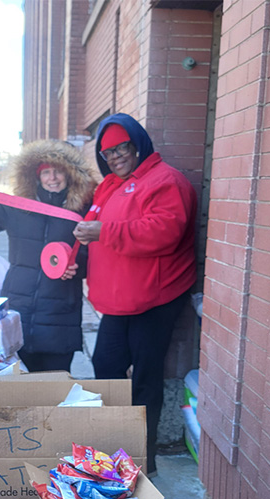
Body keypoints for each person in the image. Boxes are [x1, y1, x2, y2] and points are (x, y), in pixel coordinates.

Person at [72, 113, 197, 476]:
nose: (115, 156)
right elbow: (92, 228)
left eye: (122, 147)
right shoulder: (109, 185)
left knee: (145, 376)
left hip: (153, 298)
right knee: (106, 368)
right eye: (108, 152)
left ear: (138, 143)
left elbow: (164, 230)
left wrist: (103, 232)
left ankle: (143, 457)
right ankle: (111, 446)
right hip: (118, 301)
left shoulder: (165, 180)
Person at [0, 139, 96, 373]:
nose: (52, 178)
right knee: (21, 382)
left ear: (69, 175)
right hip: (19, 307)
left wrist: (78, 266)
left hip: (59, 311)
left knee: (55, 381)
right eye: (46, 172)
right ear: (36, 176)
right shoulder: (18, 206)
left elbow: (97, 251)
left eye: (58, 171)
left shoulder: (84, 210)